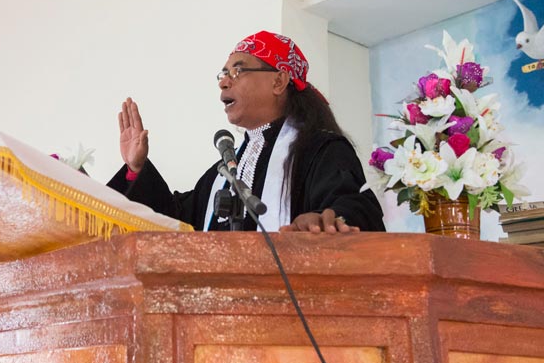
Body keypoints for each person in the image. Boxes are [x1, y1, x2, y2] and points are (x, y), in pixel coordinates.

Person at [108, 31, 385, 233]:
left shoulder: (322, 151)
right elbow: (176, 221)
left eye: (237, 72)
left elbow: (356, 209)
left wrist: (324, 221)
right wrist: (136, 169)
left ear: (279, 81)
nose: (224, 82)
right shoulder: (227, 171)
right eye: (222, 74)